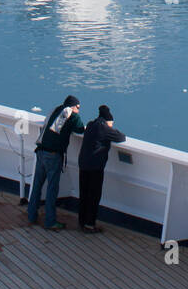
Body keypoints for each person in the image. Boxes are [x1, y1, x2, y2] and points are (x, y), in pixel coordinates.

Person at [26, 95, 84, 231]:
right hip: (53, 155)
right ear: (73, 106)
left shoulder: (56, 109)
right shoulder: (72, 116)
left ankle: (31, 215)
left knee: (37, 185)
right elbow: (80, 129)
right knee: (52, 189)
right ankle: (50, 221)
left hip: (40, 152)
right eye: (78, 107)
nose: (79, 110)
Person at [78, 105, 125, 233]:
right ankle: (89, 225)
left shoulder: (91, 124)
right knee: (94, 195)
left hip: (83, 164)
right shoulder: (104, 128)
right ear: (108, 121)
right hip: (95, 167)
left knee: (84, 193)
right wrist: (110, 127)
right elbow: (121, 137)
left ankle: (81, 221)